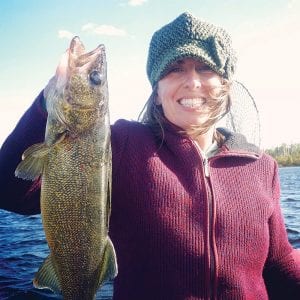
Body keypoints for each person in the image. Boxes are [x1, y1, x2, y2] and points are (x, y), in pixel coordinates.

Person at [0, 12, 299, 300]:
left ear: (224, 83)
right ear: (157, 90)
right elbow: (10, 191)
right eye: (175, 68)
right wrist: (50, 100)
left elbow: (279, 264)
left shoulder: (262, 166)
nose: (192, 81)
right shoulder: (123, 145)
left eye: (206, 68)